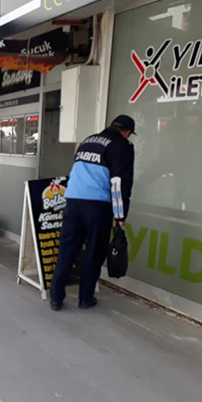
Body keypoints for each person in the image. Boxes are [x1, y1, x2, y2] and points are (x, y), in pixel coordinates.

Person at [49, 115, 136, 311]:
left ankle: (55, 297)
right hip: (97, 205)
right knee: (94, 252)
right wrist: (120, 215)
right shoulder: (121, 146)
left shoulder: (88, 141)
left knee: (67, 250)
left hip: (73, 202)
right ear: (127, 132)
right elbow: (119, 183)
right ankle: (85, 298)